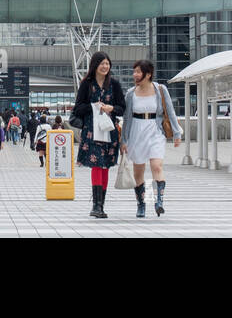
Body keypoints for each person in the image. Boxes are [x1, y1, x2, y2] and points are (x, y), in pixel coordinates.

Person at [119, 60, 181, 218]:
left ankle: (158, 201)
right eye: (134, 72)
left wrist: (176, 133)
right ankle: (141, 204)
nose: (135, 75)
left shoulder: (160, 89)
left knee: (157, 166)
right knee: (138, 171)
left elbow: (170, 111)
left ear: (148, 74)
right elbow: (127, 118)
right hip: (136, 131)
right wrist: (124, 141)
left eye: (138, 72)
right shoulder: (131, 93)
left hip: (155, 130)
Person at [72, 51, 125, 219]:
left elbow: (122, 107)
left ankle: (101, 205)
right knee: (96, 164)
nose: (105, 66)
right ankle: (96, 205)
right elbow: (78, 108)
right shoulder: (86, 84)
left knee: (106, 165)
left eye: (107, 63)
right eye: (102, 63)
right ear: (95, 65)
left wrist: (111, 108)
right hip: (91, 131)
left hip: (109, 131)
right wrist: (93, 106)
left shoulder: (114, 84)